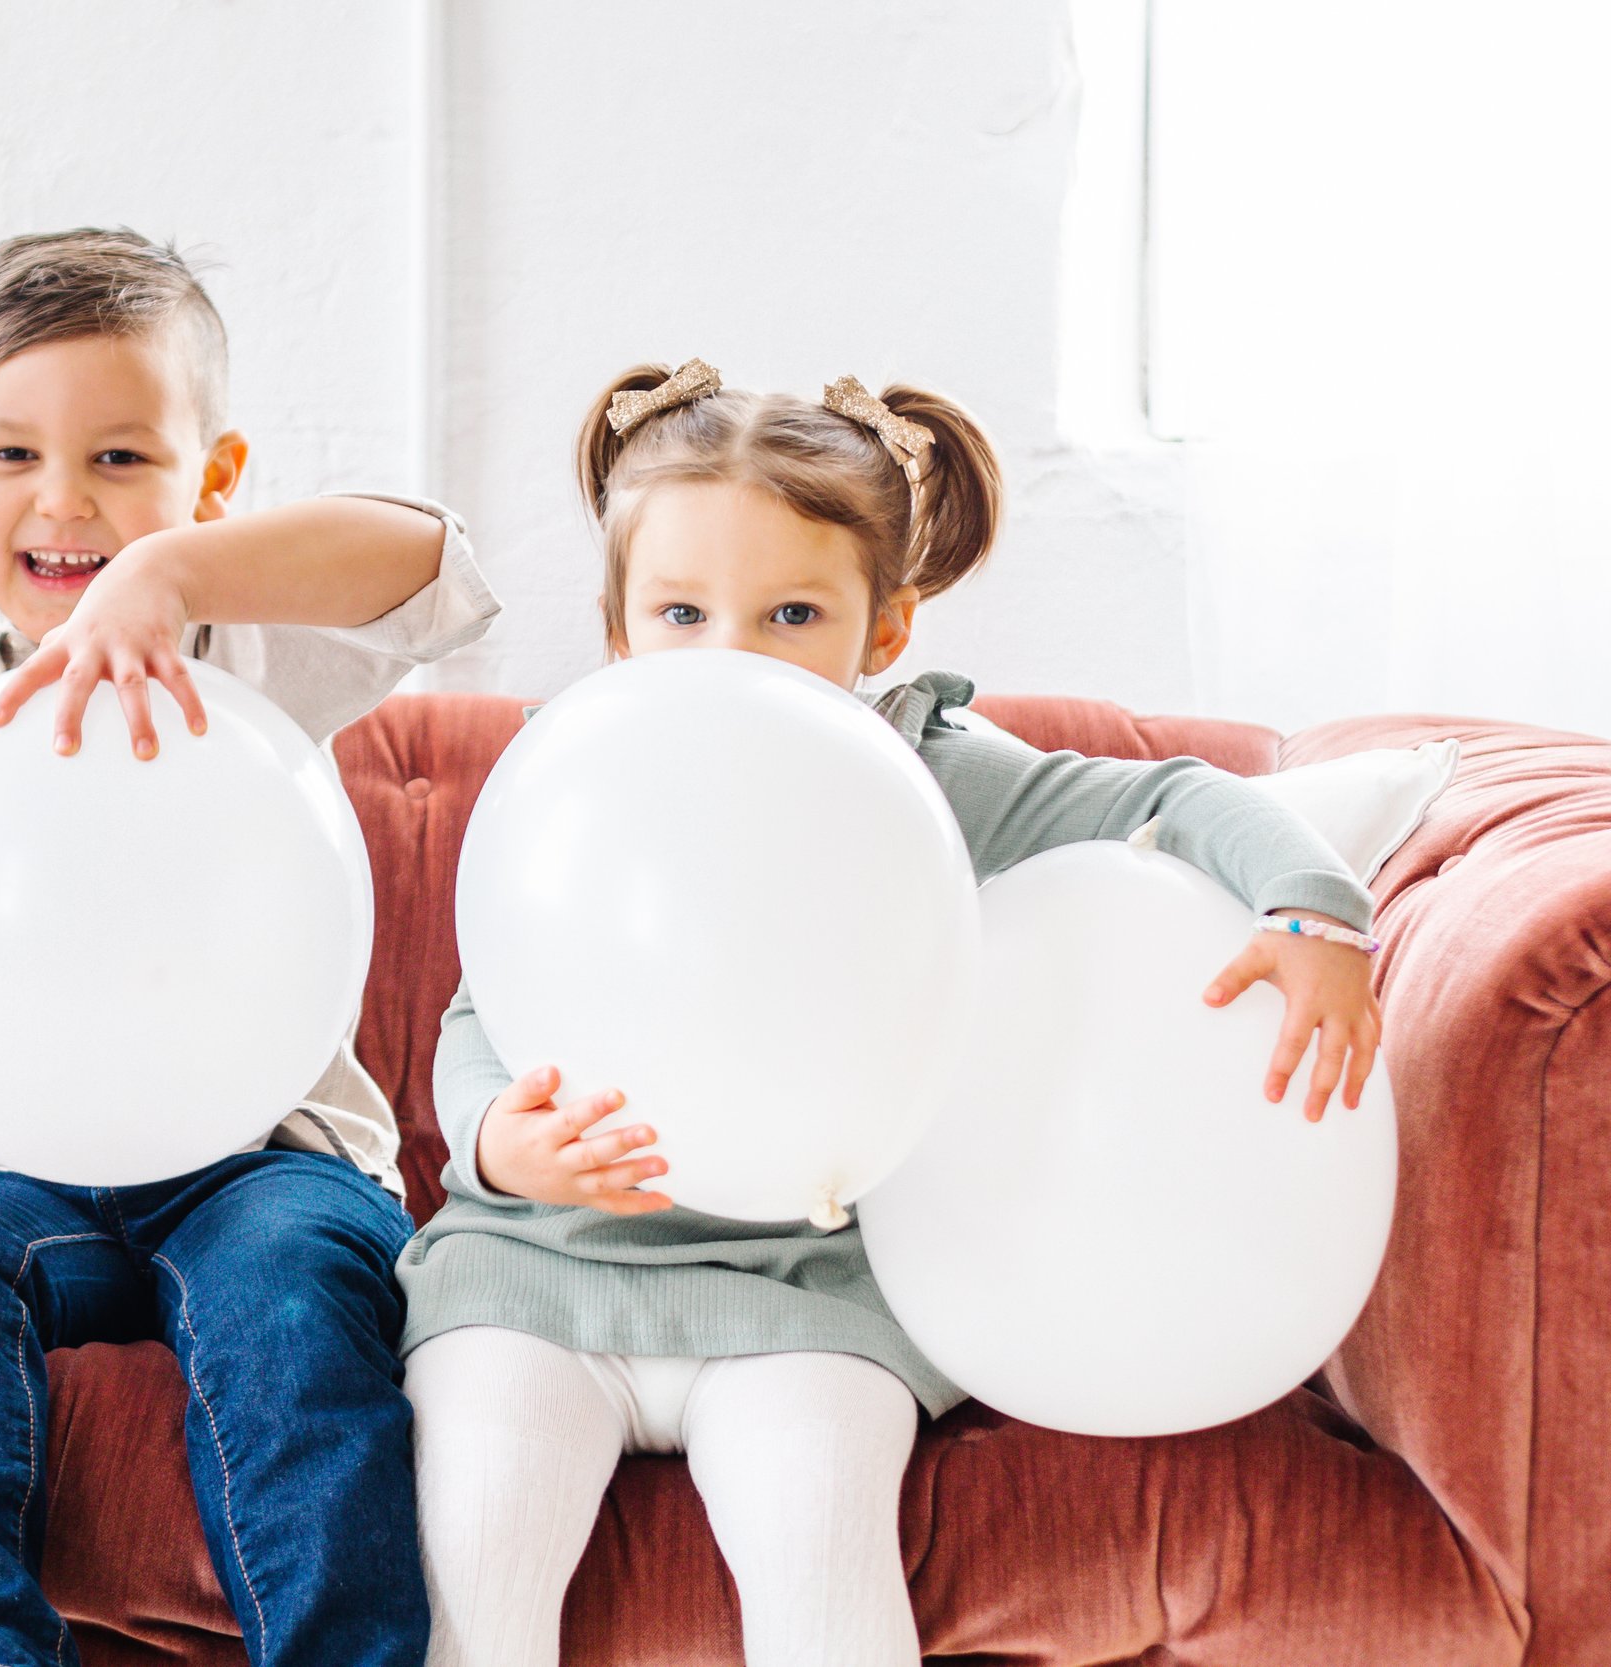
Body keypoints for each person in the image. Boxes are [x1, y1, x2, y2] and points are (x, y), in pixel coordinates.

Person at [399, 357, 1382, 1667]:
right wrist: (496, 1144)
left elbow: (1183, 797)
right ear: (620, 626)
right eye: (683, 611)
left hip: (807, 1293)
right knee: (476, 1572)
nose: (732, 653)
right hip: (535, 1271)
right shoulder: (574, 778)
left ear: (886, 629)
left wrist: (1316, 911)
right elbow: (485, 1014)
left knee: (818, 1558)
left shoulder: (931, 777)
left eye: (792, 614)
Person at [0, 228, 497, 1667]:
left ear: (213, 477)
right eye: (12, 455)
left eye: (122, 458)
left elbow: (434, 560)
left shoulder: (246, 640)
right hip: (23, 1175)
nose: (65, 500)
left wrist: (173, 575)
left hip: (270, 1162)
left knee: (289, 1307)